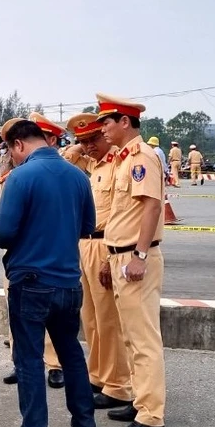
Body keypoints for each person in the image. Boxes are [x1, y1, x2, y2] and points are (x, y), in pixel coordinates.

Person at [0, 118, 97, 427]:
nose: (12, 157)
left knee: (29, 360)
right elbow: (87, 226)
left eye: (11, 150)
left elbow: (3, 233)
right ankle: (86, 426)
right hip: (68, 281)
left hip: (31, 282)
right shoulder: (77, 176)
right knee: (71, 353)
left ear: (18, 144)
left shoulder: (21, 176)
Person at [95, 93, 167, 427]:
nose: (102, 128)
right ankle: (140, 400)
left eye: (107, 121)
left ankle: (152, 416)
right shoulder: (123, 160)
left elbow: (152, 207)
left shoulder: (142, 157)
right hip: (120, 256)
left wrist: (138, 256)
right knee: (129, 335)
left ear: (125, 121)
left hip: (135, 258)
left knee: (143, 339)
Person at [64, 113, 133, 410]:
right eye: (83, 141)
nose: (88, 146)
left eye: (93, 138)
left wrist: (110, 257)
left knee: (109, 321)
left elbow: (121, 213)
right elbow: (63, 162)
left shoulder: (119, 163)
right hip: (84, 244)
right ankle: (99, 375)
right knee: (90, 319)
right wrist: (81, 147)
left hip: (106, 244)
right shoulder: (93, 164)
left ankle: (117, 384)